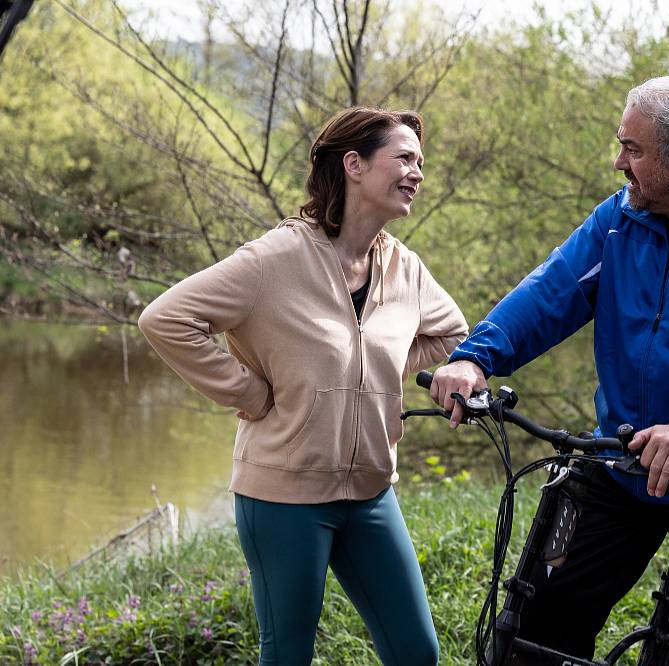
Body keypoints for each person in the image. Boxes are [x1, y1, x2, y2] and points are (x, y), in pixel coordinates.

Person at [431, 76, 669, 665]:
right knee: (534, 628)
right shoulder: (619, 220)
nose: (618, 162)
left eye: (632, 149)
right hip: (626, 462)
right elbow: (551, 291)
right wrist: (476, 355)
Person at [138, 107, 468, 666]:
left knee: (417, 652)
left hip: (371, 493)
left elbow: (454, 334)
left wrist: (380, 369)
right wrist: (248, 392)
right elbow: (165, 319)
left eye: (421, 162)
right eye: (405, 158)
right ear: (354, 164)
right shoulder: (274, 259)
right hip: (283, 497)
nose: (418, 173)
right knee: (287, 654)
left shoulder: (405, 269)